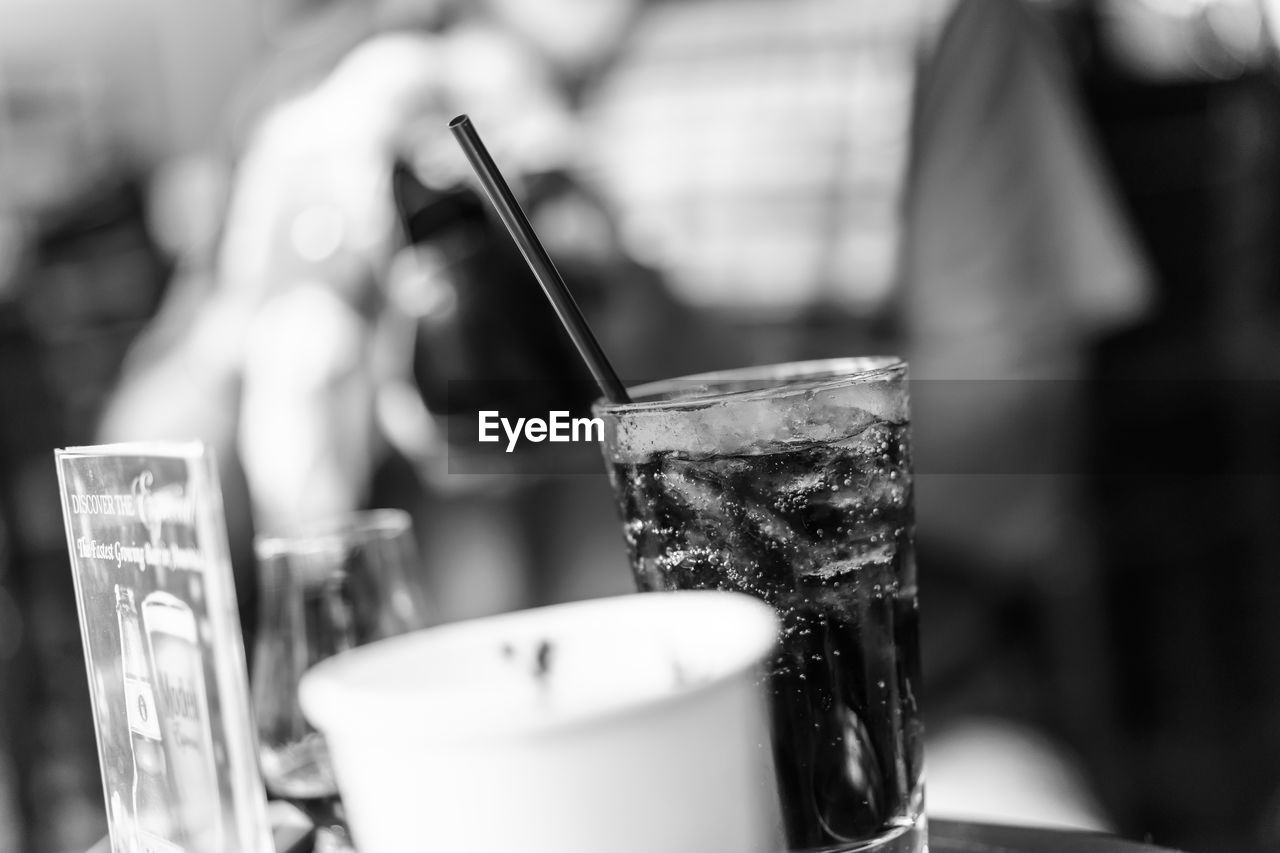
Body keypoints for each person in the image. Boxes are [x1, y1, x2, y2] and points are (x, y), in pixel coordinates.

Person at [100, 0, 1149, 831]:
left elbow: (1015, 470)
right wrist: (266, 304)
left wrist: (673, 373)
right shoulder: (325, 80)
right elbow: (136, 490)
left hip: (864, 731)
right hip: (430, 753)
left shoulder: (922, 21)